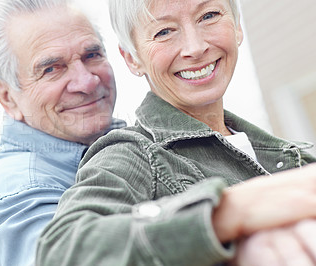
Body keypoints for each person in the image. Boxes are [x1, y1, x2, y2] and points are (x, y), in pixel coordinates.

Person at [35, 0, 316, 265]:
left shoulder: (301, 155)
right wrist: (227, 212)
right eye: (164, 31)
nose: (195, 47)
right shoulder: (133, 154)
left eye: (209, 16)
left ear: (237, 25)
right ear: (132, 58)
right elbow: (62, 251)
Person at [0, 0, 126, 265]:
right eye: (51, 69)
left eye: (91, 55)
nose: (87, 81)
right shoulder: (17, 192)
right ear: (7, 97)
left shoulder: (128, 143)